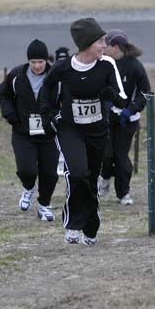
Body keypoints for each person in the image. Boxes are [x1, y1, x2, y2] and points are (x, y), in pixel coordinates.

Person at [40, 17, 127, 245]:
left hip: (97, 131)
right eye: (100, 41)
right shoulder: (63, 68)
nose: (104, 45)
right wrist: (47, 115)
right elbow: (46, 91)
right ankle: (72, 224)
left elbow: (122, 100)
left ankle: (91, 227)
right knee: (77, 173)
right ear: (87, 43)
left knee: (90, 179)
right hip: (70, 129)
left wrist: (111, 96)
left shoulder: (107, 65)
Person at [0, 39, 59, 221]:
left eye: (40, 62)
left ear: (46, 60)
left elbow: (65, 98)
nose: (37, 66)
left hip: (49, 134)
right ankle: (28, 187)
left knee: (49, 173)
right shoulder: (17, 75)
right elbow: (4, 93)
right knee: (27, 170)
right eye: (33, 62)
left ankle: (44, 206)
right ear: (28, 61)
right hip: (23, 132)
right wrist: (10, 114)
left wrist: (57, 119)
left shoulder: (56, 77)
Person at [99, 29, 151, 205]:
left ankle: (123, 193)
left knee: (121, 157)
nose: (102, 48)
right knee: (105, 154)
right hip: (105, 117)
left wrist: (130, 110)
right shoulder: (102, 63)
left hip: (127, 119)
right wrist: (105, 105)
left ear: (115, 46)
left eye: (105, 45)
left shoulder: (135, 66)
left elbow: (145, 93)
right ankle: (105, 177)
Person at [54, 46, 70, 176]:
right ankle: (59, 164)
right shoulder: (53, 74)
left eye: (65, 59)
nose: (62, 61)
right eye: (60, 59)